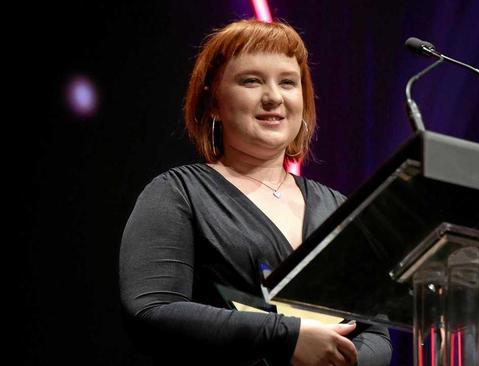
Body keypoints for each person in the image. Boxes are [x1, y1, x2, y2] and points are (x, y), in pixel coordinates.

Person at [119, 19, 393, 366]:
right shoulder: (177, 193)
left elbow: (375, 333)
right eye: (251, 81)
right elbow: (152, 311)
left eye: (288, 83)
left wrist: (346, 361)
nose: (274, 97)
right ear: (214, 101)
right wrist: (286, 337)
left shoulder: (339, 208)